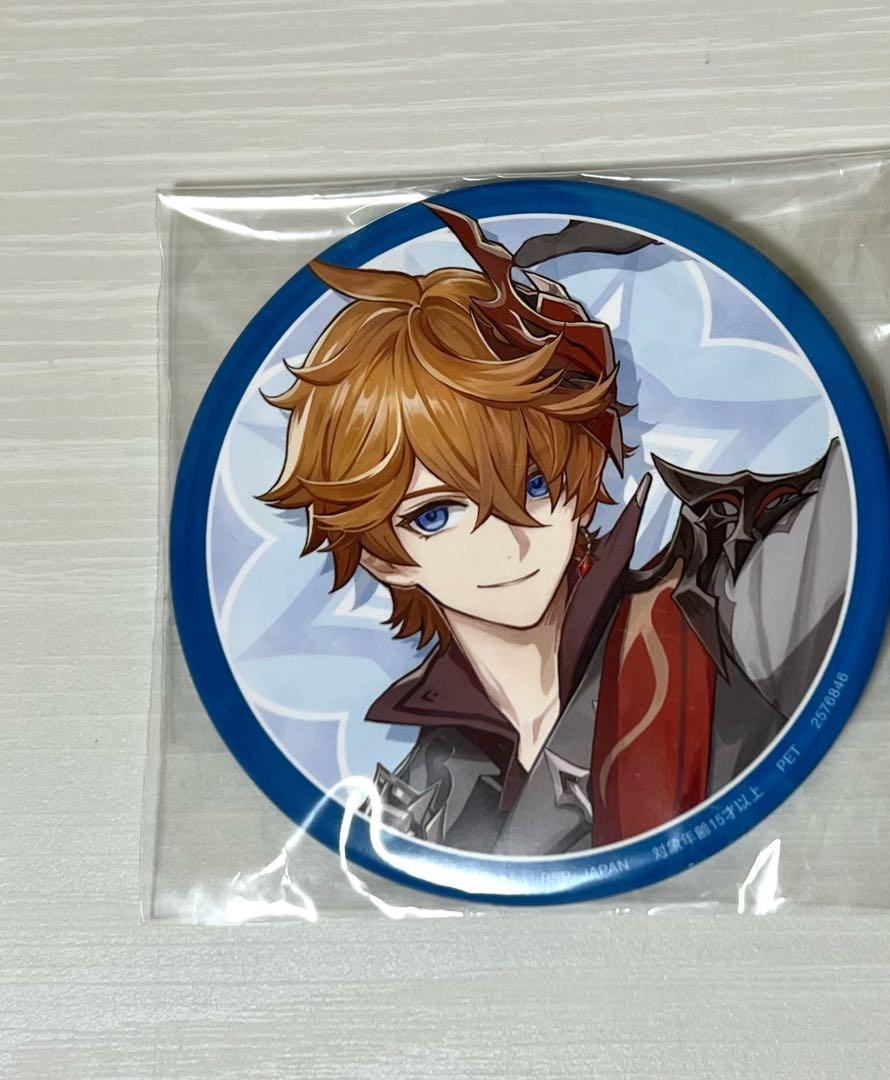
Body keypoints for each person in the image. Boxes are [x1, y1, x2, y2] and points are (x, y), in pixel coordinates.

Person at [260, 204, 849, 855]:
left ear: (583, 477)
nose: (508, 542)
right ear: (384, 558)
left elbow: (850, 513)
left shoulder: (715, 625)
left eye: (536, 483)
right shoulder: (430, 791)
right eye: (436, 515)